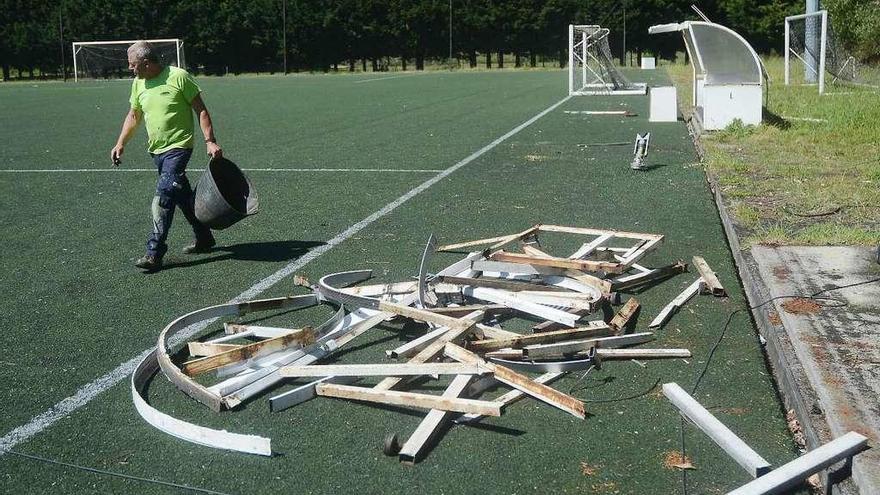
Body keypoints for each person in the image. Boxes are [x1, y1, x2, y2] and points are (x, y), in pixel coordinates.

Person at [110, 41, 221, 271]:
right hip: (156, 151)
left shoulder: (178, 76)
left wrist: (210, 141)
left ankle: (154, 252)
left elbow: (200, 109)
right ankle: (204, 237)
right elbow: (134, 115)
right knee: (180, 194)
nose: (130, 69)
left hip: (179, 148)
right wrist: (120, 143)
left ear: (146, 63)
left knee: (163, 197)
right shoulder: (138, 83)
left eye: (132, 65)